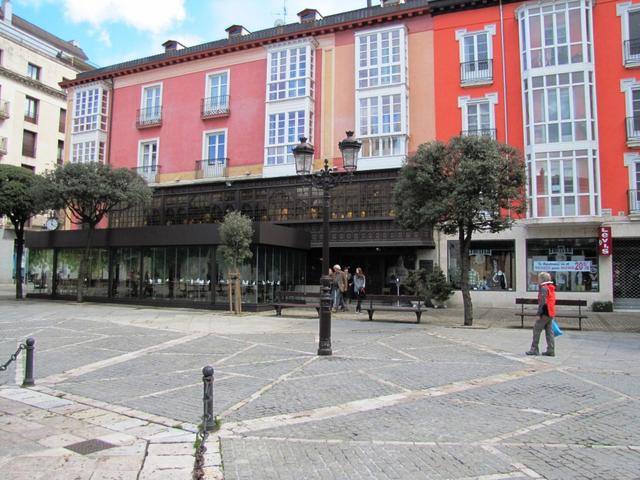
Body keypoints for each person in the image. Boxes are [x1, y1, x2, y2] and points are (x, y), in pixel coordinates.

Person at [526, 271, 556, 357]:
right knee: (549, 332)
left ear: (542, 279)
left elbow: (542, 302)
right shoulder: (551, 287)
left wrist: (539, 313)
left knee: (536, 330)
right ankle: (551, 349)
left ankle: (534, 349)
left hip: (545, 312)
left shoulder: (544, 288)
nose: (538, 280)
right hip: (551, 312)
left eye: (539, 278)